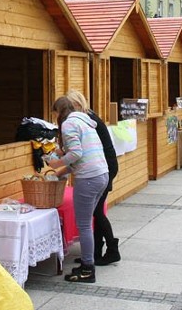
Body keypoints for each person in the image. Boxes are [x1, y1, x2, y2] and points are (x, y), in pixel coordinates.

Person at [45, 96, 109, 283]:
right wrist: (62, 170)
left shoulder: (68, 125)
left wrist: (56, 163)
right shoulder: (85, 122)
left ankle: (88, 269)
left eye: (54, 114)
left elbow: (76, 154)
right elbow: (82, 157)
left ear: (58, 112)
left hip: (88, 179)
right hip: (101, 174)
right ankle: (87, 265)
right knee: (87, 222)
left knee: (83, 224)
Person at [67, 90, 120, 266]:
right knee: (96, 211)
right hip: (104, 165)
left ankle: (111, 249)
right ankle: (96, 252)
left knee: (96, 211)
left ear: (74, 105)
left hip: (103, 167)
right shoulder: (88, 117)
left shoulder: (86, 120)